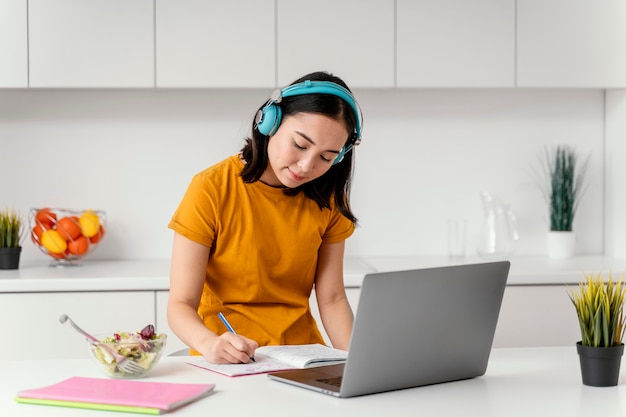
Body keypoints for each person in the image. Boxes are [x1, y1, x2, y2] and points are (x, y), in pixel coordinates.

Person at [167, 71, 363, 364]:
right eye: (299, 144)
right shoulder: (210, 188)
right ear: (269, 122)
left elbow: (332, 299)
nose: (307, 166)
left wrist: (360, 365)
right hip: (231, 360)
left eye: (326, 157)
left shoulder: (329, 200)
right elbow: (180, 305)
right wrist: (209, 344)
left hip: (303, 359)